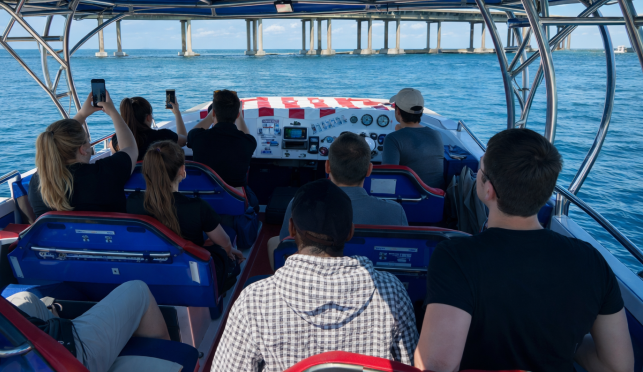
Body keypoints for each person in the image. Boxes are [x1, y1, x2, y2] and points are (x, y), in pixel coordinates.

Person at [415, 128, 633, 372]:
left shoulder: (456, 257)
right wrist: (566, 341)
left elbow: (437, 364)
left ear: (489, 190)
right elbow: (617, 366)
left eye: (481, 171)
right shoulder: (592, 261)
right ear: (547, 190)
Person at [211, 179, 418, 372]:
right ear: (350, 233)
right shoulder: (392, 292)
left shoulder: (254, 301)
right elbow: (409, 364)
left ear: (291, 229)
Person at [269, 132, 408, 268]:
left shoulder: (298, 204)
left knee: (273, 242)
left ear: (327, 166)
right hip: (375, 276)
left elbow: (286, 244)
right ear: (369, 170)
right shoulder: (396, 211)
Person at [128, 140, 244, 291]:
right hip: (192, 276)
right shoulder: (197, 207)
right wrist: (228, 251)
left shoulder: (132, 202)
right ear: (182, 171)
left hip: (150, 271)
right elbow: (225, 244)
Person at [7, 280, 181, 372]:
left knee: (25, 298)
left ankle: (56, 322)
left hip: (17, 353)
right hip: (61, 357)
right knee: (138, 289)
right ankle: (168, 355)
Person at [28, 91, 137, 217]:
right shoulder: (104, 173)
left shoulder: (39, 182)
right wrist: (113, 111)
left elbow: (60, 139)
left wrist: (81, 114)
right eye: (87, 140)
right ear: (82, 150)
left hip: (57, 237)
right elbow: (130, 147)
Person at [187, 90, 258, 210]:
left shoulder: (198, 137)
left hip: (205, 201)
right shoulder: (248, 142)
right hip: (234, 202)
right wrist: (239, 116)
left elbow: (191, 134)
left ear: (213, 112)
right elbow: (247, 137)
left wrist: (211, 116)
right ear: (237, 115)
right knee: (254, 202)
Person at [382, 88, 445, 189]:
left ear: (398, 111)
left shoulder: (393, 139)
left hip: (408, 201)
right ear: (421, 111)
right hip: (436, 199)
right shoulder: (436, 135)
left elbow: (387, 180)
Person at [111, 96, 187, 161]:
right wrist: (177, 113)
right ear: (148, 117)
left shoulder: (116, 141)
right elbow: (185, 140)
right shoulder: (163, 136)